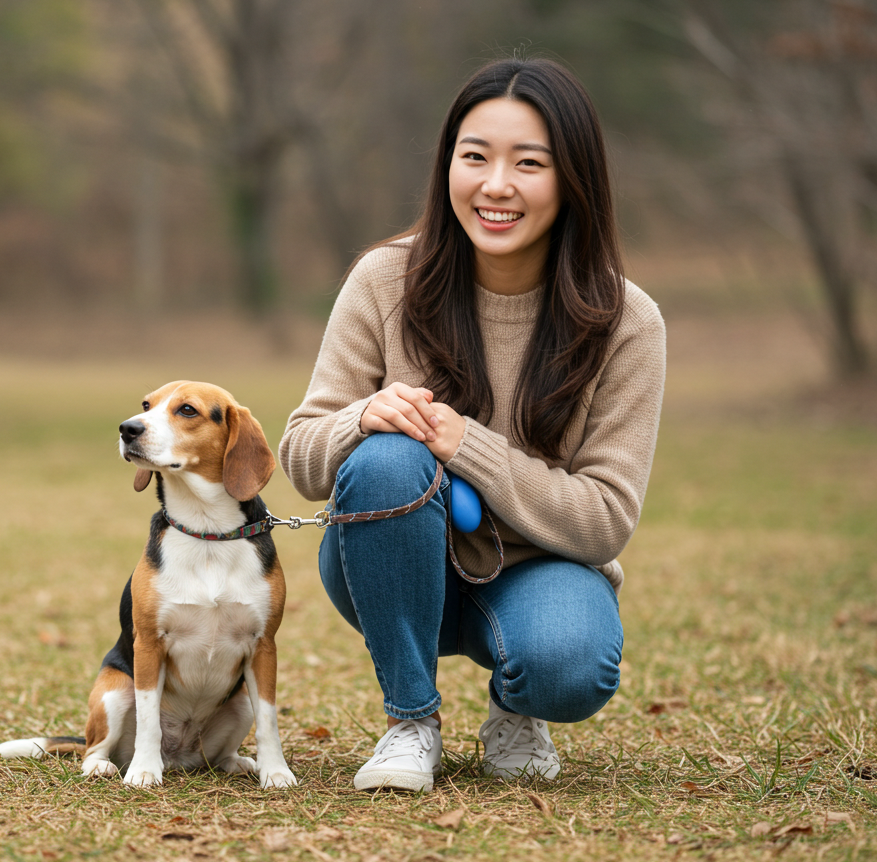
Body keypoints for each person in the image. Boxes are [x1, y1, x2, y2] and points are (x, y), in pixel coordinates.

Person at [278, 57, 666, 793]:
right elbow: (300, 456)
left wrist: (468, 445)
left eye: (529, 163)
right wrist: (362, 418)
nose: (496, 185)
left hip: (542, 570)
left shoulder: (628, 322)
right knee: (388, 458)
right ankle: (411, 720)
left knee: (569, 666)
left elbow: (605, 520)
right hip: (389, 558)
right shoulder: (384, 280)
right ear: (446, 165)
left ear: (574, 178)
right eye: (475, 157)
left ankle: (517, 709)